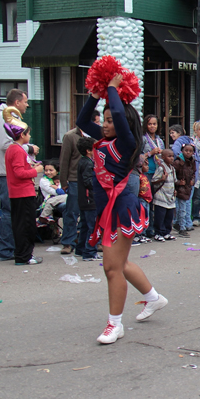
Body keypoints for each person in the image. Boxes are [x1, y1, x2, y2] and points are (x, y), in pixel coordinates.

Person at [76, 73, 167, 344]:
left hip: (121, 209)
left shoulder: (127, 142)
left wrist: (113, 89)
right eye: (102, 120)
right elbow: (82, 121)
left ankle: (115, 324)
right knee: (121, 264)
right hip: (107, 210)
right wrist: (95, 94)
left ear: (123, 123)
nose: (104, 125)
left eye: (109, 120)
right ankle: (153, 298)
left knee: (111, 268)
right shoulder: (103, 137)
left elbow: (117, 110)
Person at [0, 90, 33, 261]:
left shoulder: (6, 117)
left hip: (5, 170)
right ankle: (3, 249)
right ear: (16, 103)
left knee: (13, 212)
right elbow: (6, 144)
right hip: (4, 172)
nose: (27, 105)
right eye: (25, 101)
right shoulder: (4, 117)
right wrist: (29, 149)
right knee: (11, 212)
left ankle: (10, 248)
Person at [3, 107, 44, 265]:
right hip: (23, 193)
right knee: (26, 226)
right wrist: (35, 170)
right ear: (22, 135)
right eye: (28, 133)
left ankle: (23, 254)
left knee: (21, 224)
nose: (30, 136)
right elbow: (20, 173)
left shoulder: (13, 149)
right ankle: (24, 256)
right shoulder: (18, 151)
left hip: (18, 192)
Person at [59, 111, 99, 255]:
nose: (99, 125)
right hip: (75, 180)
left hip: (91, 179)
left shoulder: (95, 137)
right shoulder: (70, 136)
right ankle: (68, 242)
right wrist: (63, 181)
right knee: (72, 212)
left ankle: (89, 242)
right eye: (97, 122)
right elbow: (64, 160)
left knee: (88, 215)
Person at [76, 136, 100, 261]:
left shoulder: (83, 161)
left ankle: (80, 249)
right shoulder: (88, 163)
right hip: (90, 199)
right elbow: (88, 181)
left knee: (85, 225)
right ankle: (90, 252)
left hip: (84, 199)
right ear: (88, 150)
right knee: (93, 226)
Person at [151, 149, 177, 241]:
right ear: (163, 157)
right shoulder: (161, 168)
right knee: (160, 216)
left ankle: (166, 232)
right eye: (169, 156)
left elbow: (174, 181)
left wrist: (175, 190)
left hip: (170, 196)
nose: (171, 158)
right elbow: (153, 180)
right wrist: (162, 179)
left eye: (172, 156)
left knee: (169, 216)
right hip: (161, 196)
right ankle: (158, 233)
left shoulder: (172, 169)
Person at [173, 144, 195, 237]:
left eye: (190, 151)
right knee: (182, 209)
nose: (188, 153)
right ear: (182, 151)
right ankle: (182, 228)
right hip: (180, 188)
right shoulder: (178, 162)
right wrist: (178, 183)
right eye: (186, 150)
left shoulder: (192, 161)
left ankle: (178, 224)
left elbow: (194, 172)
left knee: (183, 208)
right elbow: (173, 175)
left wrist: (192, 180)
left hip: (187, 188)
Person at [133, 157, 153, 244]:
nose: (147, 167)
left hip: (147, 200)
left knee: (145, 217)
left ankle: (143, 234)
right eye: (145, 165)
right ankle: (139, 235)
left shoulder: (145, 176)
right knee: (140, 217)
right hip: (141, 199)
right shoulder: (138, 176)